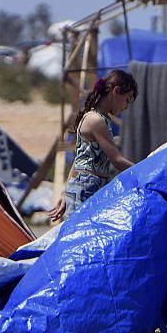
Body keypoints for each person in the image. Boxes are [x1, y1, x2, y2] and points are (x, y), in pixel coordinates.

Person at [48, 70, 138, 222]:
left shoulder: (100, 119)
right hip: (85, 193)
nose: (126, 106)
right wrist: (145, 170)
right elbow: (116, 160)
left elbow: (79, 161)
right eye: (127, 100)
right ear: (116, 92)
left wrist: (66, 192)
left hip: (89, 191)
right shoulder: (96, 121)